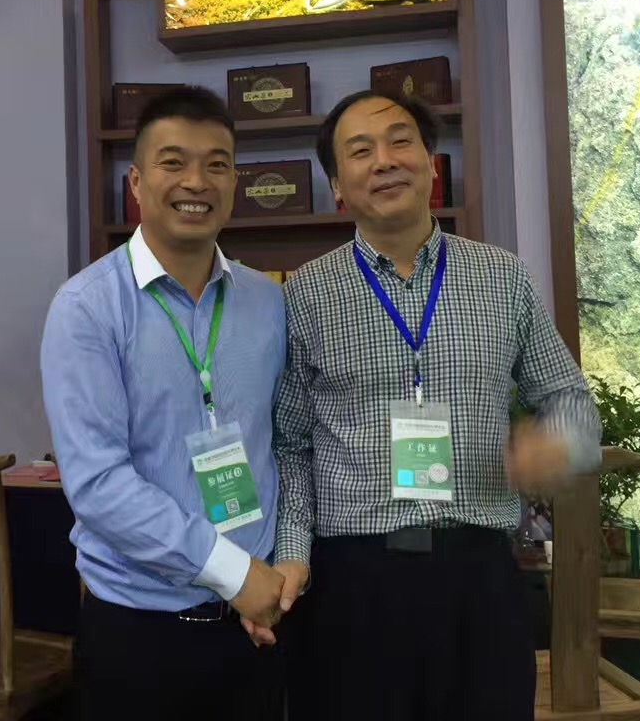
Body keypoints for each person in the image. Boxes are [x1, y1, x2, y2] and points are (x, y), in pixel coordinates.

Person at [253, 91, 601, 720]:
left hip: (479, 576)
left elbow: (568, 397)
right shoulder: (304, 294)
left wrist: (560, 444)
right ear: (338, 187)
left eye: (400, 141)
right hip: (353, 582)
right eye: (361, 151)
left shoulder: (502, 277)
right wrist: (294, 553)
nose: (385, 160)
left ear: (431, 165)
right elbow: (292, 444)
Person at [40, 86, 286, 721]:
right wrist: (234, 572)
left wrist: (280, 567)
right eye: (173, 162)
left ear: (235, 181)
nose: (196, 182)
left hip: (254, 624)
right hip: (140, 631)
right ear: (137, 182)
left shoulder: (267, 301)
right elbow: (98, 485)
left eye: (217, 164)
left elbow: (285, 442)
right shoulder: (87, 307)